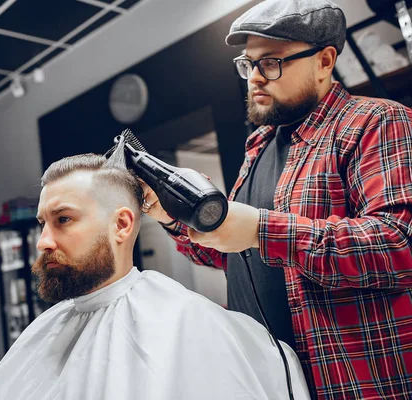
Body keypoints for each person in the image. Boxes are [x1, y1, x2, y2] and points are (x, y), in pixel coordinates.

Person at [141, 0, 412, 399]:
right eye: (248, 64)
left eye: (270, 63)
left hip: (353, 382)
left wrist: (259, 229)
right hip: (269, 380)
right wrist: (173, 217)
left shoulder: (375, 122)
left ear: (324, 61)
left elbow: (397, 245)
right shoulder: (260, 145)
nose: (254, 77)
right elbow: (233, 256)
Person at [0, 154, 310, 400]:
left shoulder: (185, 322)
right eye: (44, 223)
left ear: (122, 224)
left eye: (64, 220)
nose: (44, 241)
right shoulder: (45, 330)